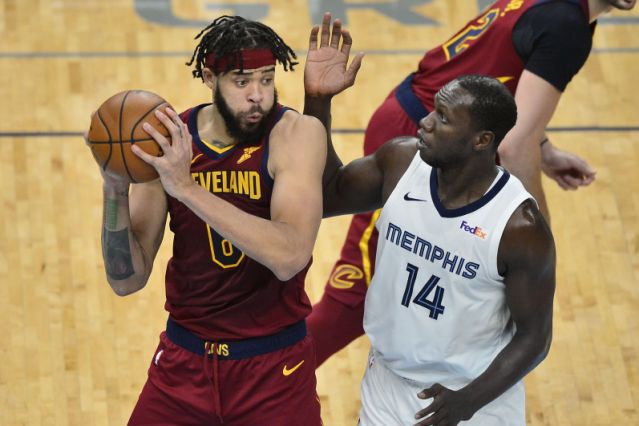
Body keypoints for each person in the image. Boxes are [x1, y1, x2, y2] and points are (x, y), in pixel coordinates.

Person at [308, 0, 637, 367]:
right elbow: (514, 145)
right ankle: (271, 381)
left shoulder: (564, 13)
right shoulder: (566, 25)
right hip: (421, 139)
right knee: (358, 290)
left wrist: (543, 147)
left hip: (436, 130)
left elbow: (494, 81)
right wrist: (538, 240)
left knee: (430, 279)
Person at [86, 15, 344, 425]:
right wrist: (114, 187)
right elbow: (126, 280)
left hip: (273, 370)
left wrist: (186, 188)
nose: (258, 95)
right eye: (242, 82)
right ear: (209, 76)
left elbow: (290, 255)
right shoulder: (170, 141)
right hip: (183, 365)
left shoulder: (295, 134)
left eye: (266, 78)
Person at [305, 25, 557, 420]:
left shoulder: (519, 228)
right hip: (386, 386)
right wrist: (318, 102)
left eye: (442, 117)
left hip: (474, 399)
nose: (424, 122)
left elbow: (534, 339)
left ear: (481, 140)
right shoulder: (401, 162)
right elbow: (323, 194)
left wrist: (466, 403)